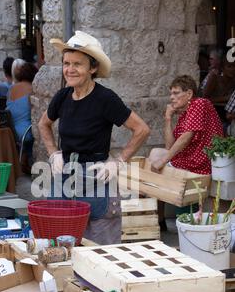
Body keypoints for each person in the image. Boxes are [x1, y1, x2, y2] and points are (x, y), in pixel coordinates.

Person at [38, 30, 150, 245]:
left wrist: (118, 162)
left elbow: (142, 129)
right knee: (61, 242)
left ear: (93, 68)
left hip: (97, 177)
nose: (69, 70)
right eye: (66, 63)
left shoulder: (105, 99)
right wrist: (54, 154)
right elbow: (44, 123)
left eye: (77, 64)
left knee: (101, 247)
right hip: (64, 177)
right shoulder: (62, 97)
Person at [149, 75, 224, 231]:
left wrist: (163, 161)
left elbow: (185, 138)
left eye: (176, 93)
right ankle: (160, 218)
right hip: (189, 159)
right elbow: (170, 146)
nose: (171, 98)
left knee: (156, 161)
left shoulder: (199, 103)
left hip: (200, 162)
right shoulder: (185, 114)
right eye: (171, 94)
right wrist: (168, 119)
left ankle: (161, 217)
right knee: (155, 155)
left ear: (189, 94)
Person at [6, 60, 37, 174]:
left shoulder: (11, 89)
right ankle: (27, 163)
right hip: (25, 132)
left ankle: (23, 161)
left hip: (11, 129)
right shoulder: (32, 89)